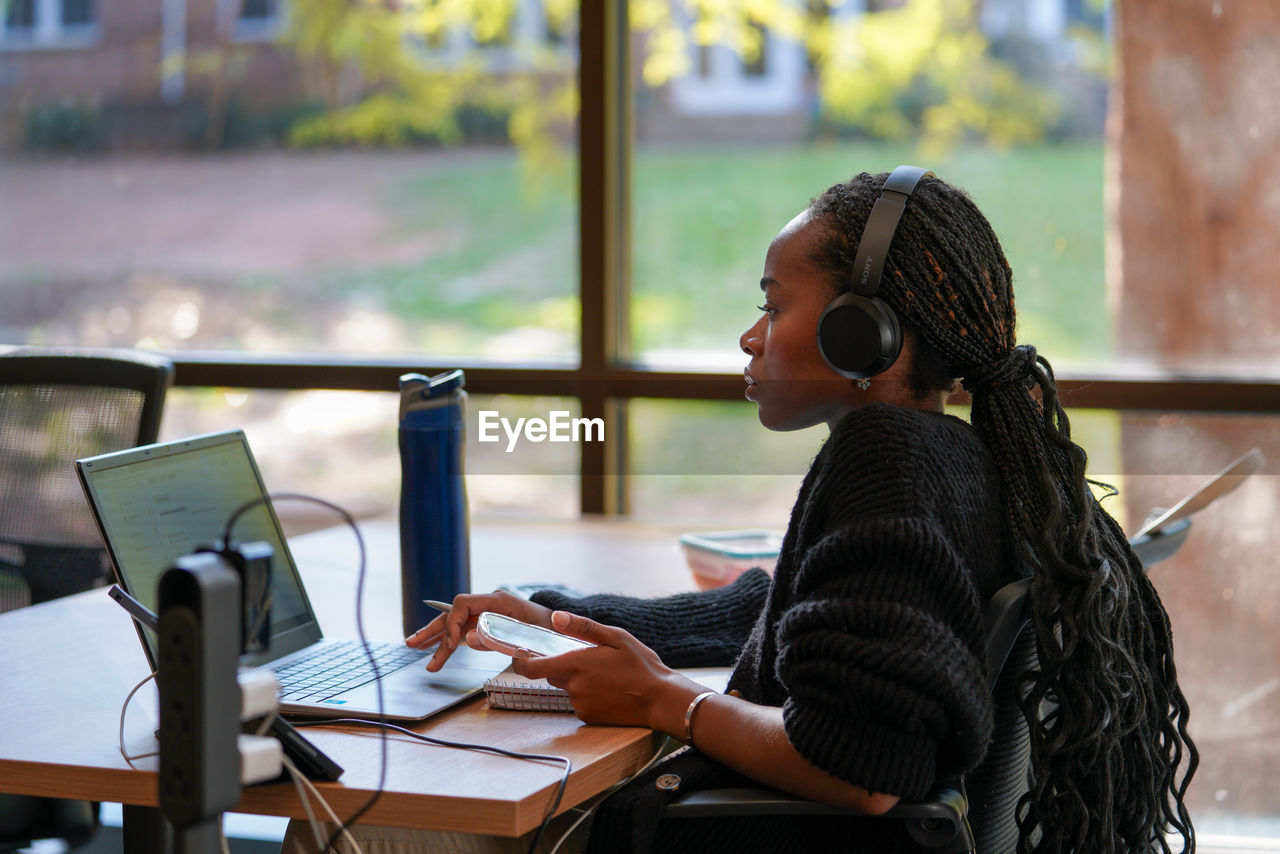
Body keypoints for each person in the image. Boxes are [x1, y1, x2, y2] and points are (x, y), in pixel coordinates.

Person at [282, 170, 1198, 854]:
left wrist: (663, 700)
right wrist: (565, 614)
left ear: (861, 331)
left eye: (773, 304)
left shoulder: (891, 462)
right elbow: (790, 613)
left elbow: (864, 769)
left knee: (354, 824)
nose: (751, 335)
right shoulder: (966, 455)